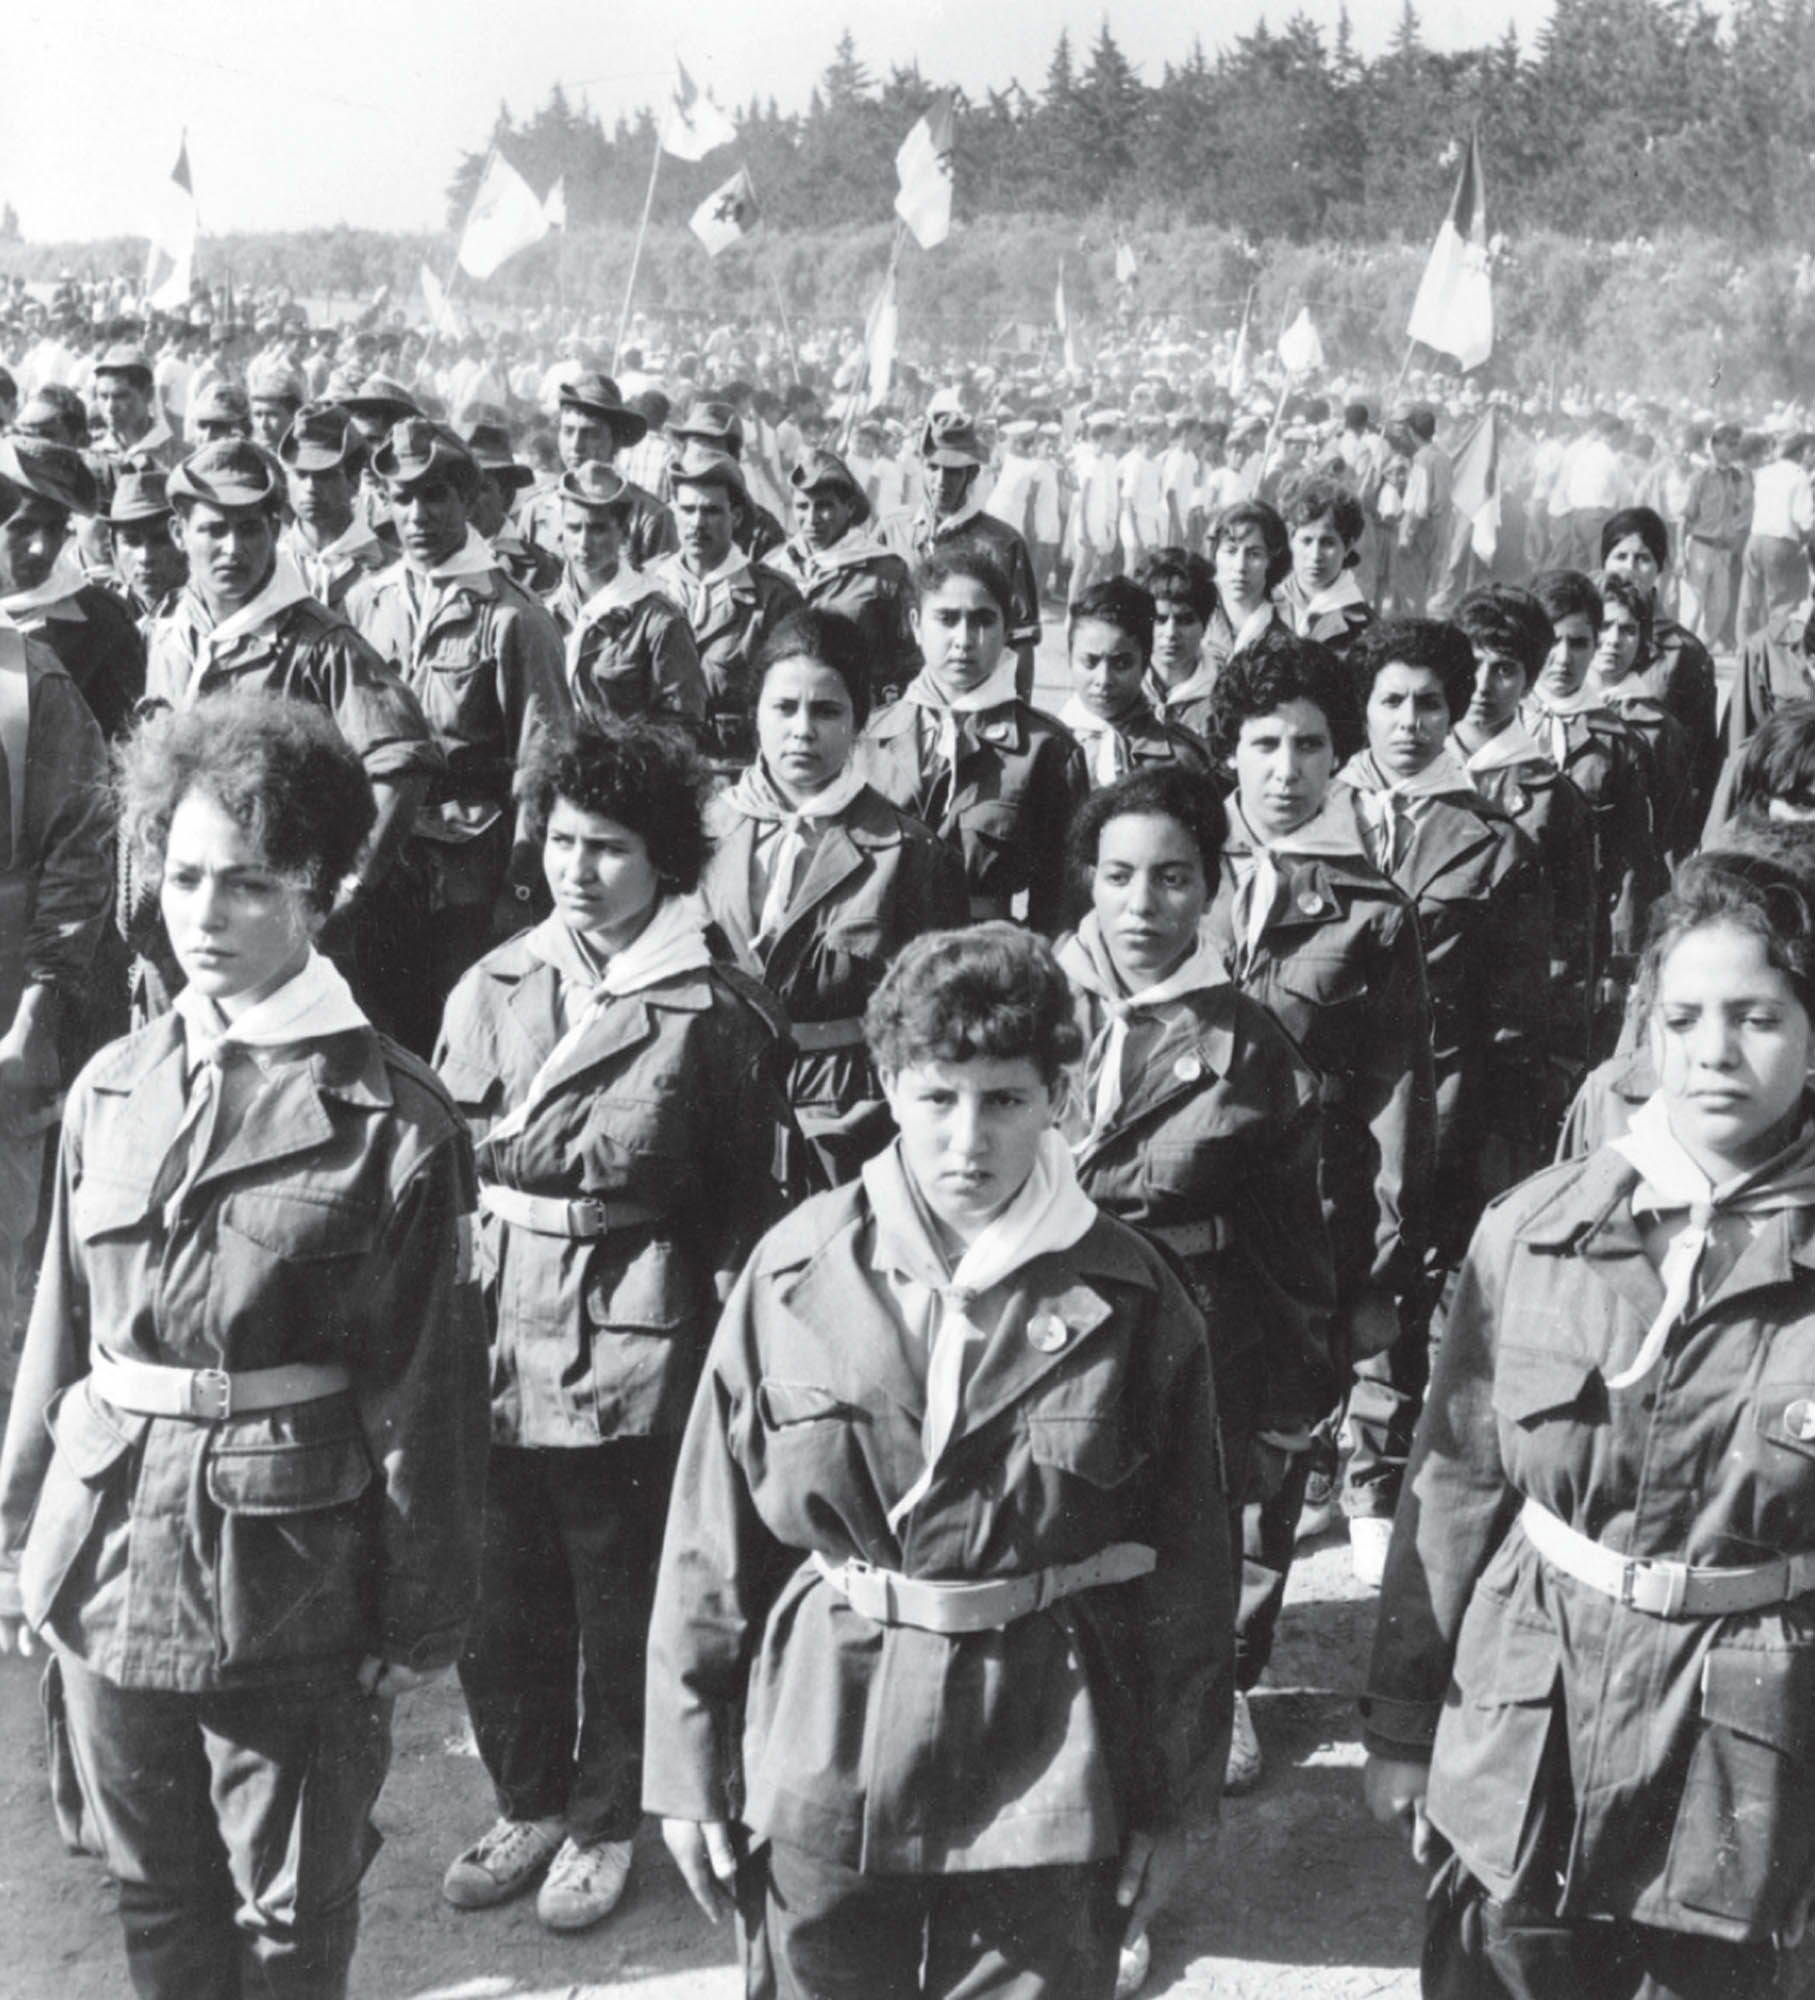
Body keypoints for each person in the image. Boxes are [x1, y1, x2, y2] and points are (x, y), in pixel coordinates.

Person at [0, 692, 489, 2000]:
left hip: (292, 1572)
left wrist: (417, 1611)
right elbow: (61, 1339)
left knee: (286, 1918)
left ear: (322, 894)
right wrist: (19, 1532)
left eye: (251, 884)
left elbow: (424, 1393)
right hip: (108, 1557)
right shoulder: (114, 1086)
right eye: (183, 875)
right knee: (153, 1900)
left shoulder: (390, 1119)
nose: (204, 913)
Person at [645, 922, 1233, 2000]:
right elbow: (708, 1538)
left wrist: (1170, 1799)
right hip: (828, 1717)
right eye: (938, 1096)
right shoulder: (794, 1270)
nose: (970, 1137)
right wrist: (686, 1765)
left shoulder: (1131, 1296)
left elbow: (1191, 1571)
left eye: (1006, 1098)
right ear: (889, 1086)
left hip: (1045, 1738)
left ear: (1059, 1092)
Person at [1364, 844, 1815, 2000]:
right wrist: (1405, 1725)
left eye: (1758, 1015)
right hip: (1529, 1721)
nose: (1717, 1051)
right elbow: (1456, 1484)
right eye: (1687, 1016)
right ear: (1647, 1033)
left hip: (1744, 1754)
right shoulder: (1535, 1231)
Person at [433, 718, 800, 1937]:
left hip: (633, 1328)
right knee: (499, 1585)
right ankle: (527, 1795)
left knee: (617, 1587)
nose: (577, 868)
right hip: (491, 1319)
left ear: (666, 861)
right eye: (561, 839)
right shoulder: (491, 981)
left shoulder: (714, 1010)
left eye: (610, 847)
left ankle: (604, 1818)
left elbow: (748, 1214)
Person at [1058, 766, 1332, 1812]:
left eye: (1173, 878)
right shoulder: (1034, 1000)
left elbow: (1295, 1251)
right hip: (1045, 1332)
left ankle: (1179, 1755)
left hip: (1189, 1330)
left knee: (1179, 1570)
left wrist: (1288, 1413)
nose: (1142, 905)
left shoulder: (1251, 1046)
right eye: (1119, 875)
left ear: (1213, 887)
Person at [1201, 632, 1434, 1750]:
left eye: (1308, 745)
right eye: (1262, 744)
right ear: (1229, 753)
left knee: (1270, 1462)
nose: (1285, 768)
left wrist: (1377, 1265)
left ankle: (1230, 1682)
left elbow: (1396, 1104)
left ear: (1342, 758)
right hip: (1173, 1217)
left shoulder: (1373, 912)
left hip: (1306, 1223)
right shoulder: (1170, 874)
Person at [1334, 619, 1551, 1582]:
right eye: (1390, 700)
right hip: (1322, 1093)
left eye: (1429, 702)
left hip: (1438, 1104)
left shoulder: (1493, 845)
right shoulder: (1314, 815)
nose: (1410, 722)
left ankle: (1375, 1475)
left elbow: (1517, 1011)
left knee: (1406, 1282)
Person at [701, 607, 968, 1184]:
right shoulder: (703, 832)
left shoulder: (910, 853)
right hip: (713, 1097)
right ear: (756, 714)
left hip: (850, 1110)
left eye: (826, 711)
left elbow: (939, 1029)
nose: (803, 730)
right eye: (784, 708)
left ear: (858, 721)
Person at [352, 418, 570, 1055]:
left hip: (471, 878)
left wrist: (521, 886)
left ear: (469, 501)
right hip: (382, 866)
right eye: (402, 498)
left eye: (435, 496)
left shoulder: (514, 618)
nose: (417, 515)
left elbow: (545, 762)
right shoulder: (369, 603)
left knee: (465, 1048)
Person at [860, 544, 1088, 935]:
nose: (964, 639)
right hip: (882, 955)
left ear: (1006, 630)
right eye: (946, 619)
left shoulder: (1045, 749)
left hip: (985, 958)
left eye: (983, 620)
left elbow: (1063, 904)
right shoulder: (870, 738)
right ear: (916, 625)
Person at [1453, 584, 1600, 1118]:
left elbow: (1573, 936)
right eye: (1471, 665)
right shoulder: (1409, 775)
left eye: (1504, 670)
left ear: (1529, 679)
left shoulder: (1553, 798)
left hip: (1502, 1041)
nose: (1482, 687)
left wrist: (1559, 1061)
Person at [648, 444, 803, 776]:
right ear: (673, 511)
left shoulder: (773, 597)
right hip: (659, 772)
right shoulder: (647, 586)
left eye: (711, 511)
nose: (697, 523)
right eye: (687, 510)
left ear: (736, 516)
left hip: (739, 773)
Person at [882, 410, 1043, 700]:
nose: (942, 480)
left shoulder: (1002, 543)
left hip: (973, 693)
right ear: (921, 466)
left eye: (954, 471)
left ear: (972, 473)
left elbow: (1021, 642)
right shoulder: (894, 529)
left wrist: (1020, 714)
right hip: (901, 693)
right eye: (933, 468)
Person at [0, 433, 146, 743]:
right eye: (22, 528)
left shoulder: (101, 622)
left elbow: (127, 751)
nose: (41, 548)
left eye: (54, 528)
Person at [541, 460, 705, 735]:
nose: (584, 542)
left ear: (624, 532)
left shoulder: (658, 621)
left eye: (598, 529)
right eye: (574, 528)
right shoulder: (545, 613)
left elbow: (682, 726)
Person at [764, 447, 920, 709]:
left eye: (824, 506)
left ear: (849, 508)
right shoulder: (774, 566)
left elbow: (910, 659)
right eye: (802, 506)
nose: (811, 519)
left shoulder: (884, 574)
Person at [1600, 506, 1721, 825]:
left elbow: (1701, 754)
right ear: (1603, 561)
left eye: (1643, 558)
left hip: (1653, 813)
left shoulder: (1686, 652)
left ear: (1659, 567)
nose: (1630, 568)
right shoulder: (1575, 637)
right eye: (1620, 556)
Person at [1059, 576, 1212, 789]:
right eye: (1090, 662)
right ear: (1070, 659)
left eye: (1121, 663)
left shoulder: (1179, 758)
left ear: (1145, 662)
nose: (1104, 680)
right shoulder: (1046, 748)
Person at [519, 373, 677, 573]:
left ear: (616, 440)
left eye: (591, 434)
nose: (576, 445)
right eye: (568, 431)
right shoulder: (536, 511)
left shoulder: (649, 517)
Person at [1592, 571, 1696, 866]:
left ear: (1642, 639)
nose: (1613, 641)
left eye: (1628, 630)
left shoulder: (1660, 729)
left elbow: (1673, 833)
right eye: (1603, 626)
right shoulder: (1542, 713)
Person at [277, 403, 393, 613]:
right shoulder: (271, 565)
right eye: (301, 474)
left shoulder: (390, 567)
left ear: (354, 482)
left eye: (325, 475)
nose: (311, 488)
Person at [1678, 419, 1752, 650]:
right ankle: (1681, 652)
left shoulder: (1737, 478)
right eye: (1727, 444)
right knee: (1693, 607)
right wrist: (1681, 553)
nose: (1731, 450)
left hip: (1723, 549)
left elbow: (1744, 508)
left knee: (1720, 608)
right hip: (1701, 545)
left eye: (1735, 445)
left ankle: (1701, 651)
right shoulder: (1700, 477)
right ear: (1714, 445)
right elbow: (1685, 517)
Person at [1276, 477, 1373, 652]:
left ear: (1348, 546)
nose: (1315, 556)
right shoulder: (1266, 605)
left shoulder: (1364, 626)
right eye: (1306, 541)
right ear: (1291, 538)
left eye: (1328, 543)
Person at [1130, 547, 1217, 740]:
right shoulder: (1118, 684)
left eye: (1185, 620)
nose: (1170, 633)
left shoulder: (1224, 696)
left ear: (1205, 624)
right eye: (1159, 619)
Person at [1203, 499, 1292, 672]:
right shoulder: (1192, 618)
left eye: (1254, 554)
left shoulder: (1283, 639)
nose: (1240, 566)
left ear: (1272, 561)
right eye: (1231, 551)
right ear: (1215, 554)